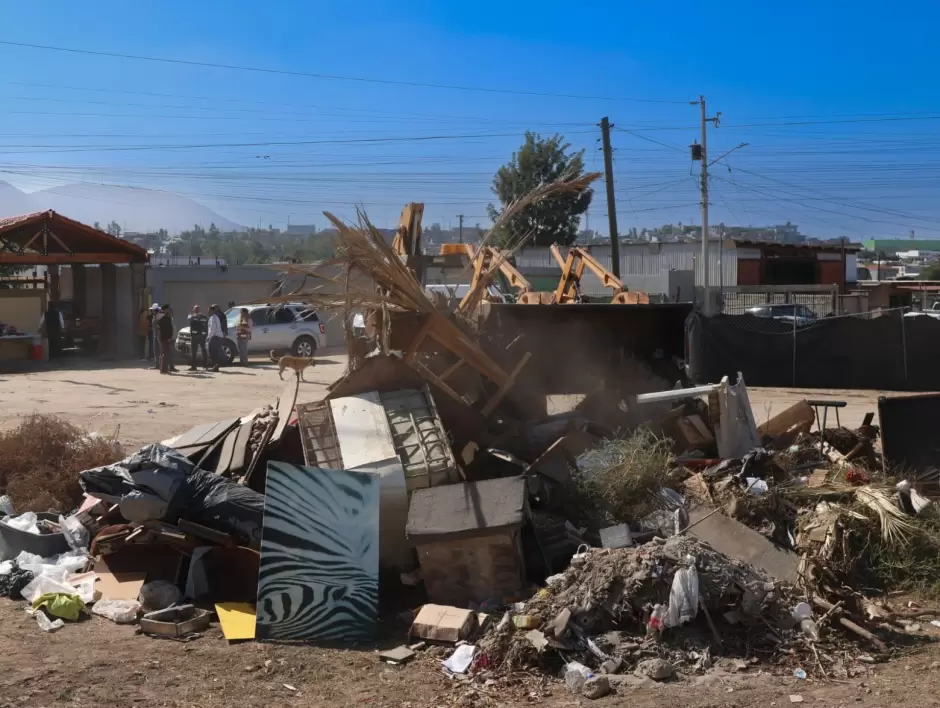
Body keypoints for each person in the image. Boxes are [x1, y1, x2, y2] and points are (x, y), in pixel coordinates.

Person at [187, 305, 209, 371]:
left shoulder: (203, 317)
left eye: (198, 309)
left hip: (202, 336)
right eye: (196, 309)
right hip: (194, 336)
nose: (197, 310)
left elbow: (206, 324)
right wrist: (196, 317)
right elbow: (190, 320)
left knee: (203, 350)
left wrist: (206, 334)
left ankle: (205, 365)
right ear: (193, 310)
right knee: (194, 352)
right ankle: (194, 366)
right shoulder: (190, 316)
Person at [157, 303, 174, 374]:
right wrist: (168, 338)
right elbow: (164, 330)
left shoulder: (167, 318)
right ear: (165, 310)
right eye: (168, 309)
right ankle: (163, 369)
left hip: (167, 338)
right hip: (165, 338)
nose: (169, 311)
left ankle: (164, 368)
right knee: (165, 354)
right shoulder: (163, 318)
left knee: (166, 354)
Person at [206, 303, 223, 372]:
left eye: (209, 310)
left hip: (214, 337)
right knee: (215, 352)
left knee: (212, 352)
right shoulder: (216, 317)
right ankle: (215, 366)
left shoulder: (213, 318)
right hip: (217, 337)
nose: (208, 312)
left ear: (212, 311)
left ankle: (215, 366)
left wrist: (208, 337)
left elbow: (212, 329)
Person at [148, 303, 161, 368]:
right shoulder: (154, 316)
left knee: (159, 350)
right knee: (156, 351)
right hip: (155, 335)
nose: (152, 311)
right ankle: (157, 365)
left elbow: (159, 327)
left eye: (153, 310)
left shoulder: (159, 317)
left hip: (158, 336)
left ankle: (160, 365)